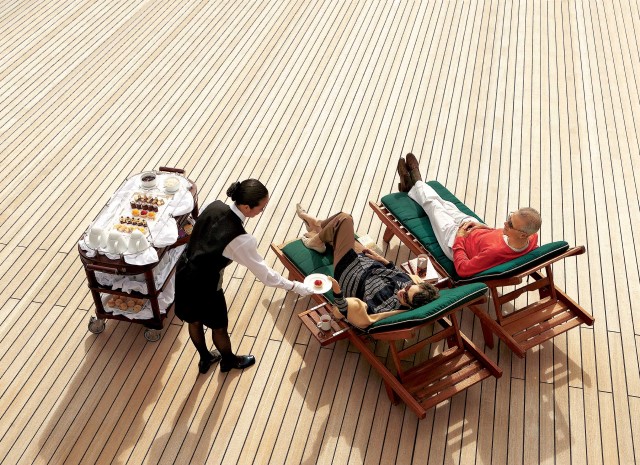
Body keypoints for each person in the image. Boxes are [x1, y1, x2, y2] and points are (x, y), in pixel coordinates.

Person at [175, 179, 315, 374]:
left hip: (184, 273)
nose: (262, 211)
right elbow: (267, 276)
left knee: (194, 321)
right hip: (206, 285)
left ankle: (205, 359)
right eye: (261, 207)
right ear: (247, 207)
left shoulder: (214, 206)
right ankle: (229, 361)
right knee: (219, 327)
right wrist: (296, 286)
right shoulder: (241, 239)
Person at [397, 154, 542, 277]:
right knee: (446, 204)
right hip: (474, 228)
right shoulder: (532, 238)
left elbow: (462, 269)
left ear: (523, 234)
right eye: (510, 217)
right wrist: (484, 227)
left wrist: (459, 238)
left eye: (510, 224)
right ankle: (413, 185)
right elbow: (501, 237)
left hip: (455, 242)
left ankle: (415, 181)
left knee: (434, 207)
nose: (505, 223)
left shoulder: (493, 253)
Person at [295, 207, 439, 318]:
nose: (403, 291)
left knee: (345, 219)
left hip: (348, 269)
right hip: (367, 260)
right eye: (408, 288)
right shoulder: (408, 284)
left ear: (411, 306)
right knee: (338, 227)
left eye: (406, 296)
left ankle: (315, 235)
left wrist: (337, 291)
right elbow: (395, 271)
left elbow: (346, 311)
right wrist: (381, 259)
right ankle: (315, 226)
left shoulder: (383, 308)